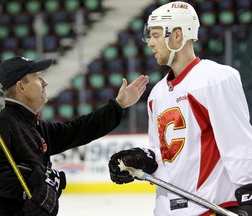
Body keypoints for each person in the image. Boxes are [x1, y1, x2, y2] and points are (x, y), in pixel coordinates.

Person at [108, 1, 252, 216]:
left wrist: (249, 195)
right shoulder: (157, 93)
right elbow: (163, 153)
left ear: (177, 36)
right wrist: (141, 159)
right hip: (167, 211)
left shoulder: (214, 78)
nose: (150, 43)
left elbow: (237, 143)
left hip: (209, 208)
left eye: (156, 35)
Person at [0, 56, 149, 216]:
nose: (45, 83)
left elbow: (77, 130)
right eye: (38, 77)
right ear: (21, 86)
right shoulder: (3, 125)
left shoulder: (33, 125)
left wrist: (118, 106)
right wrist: (35, 185)